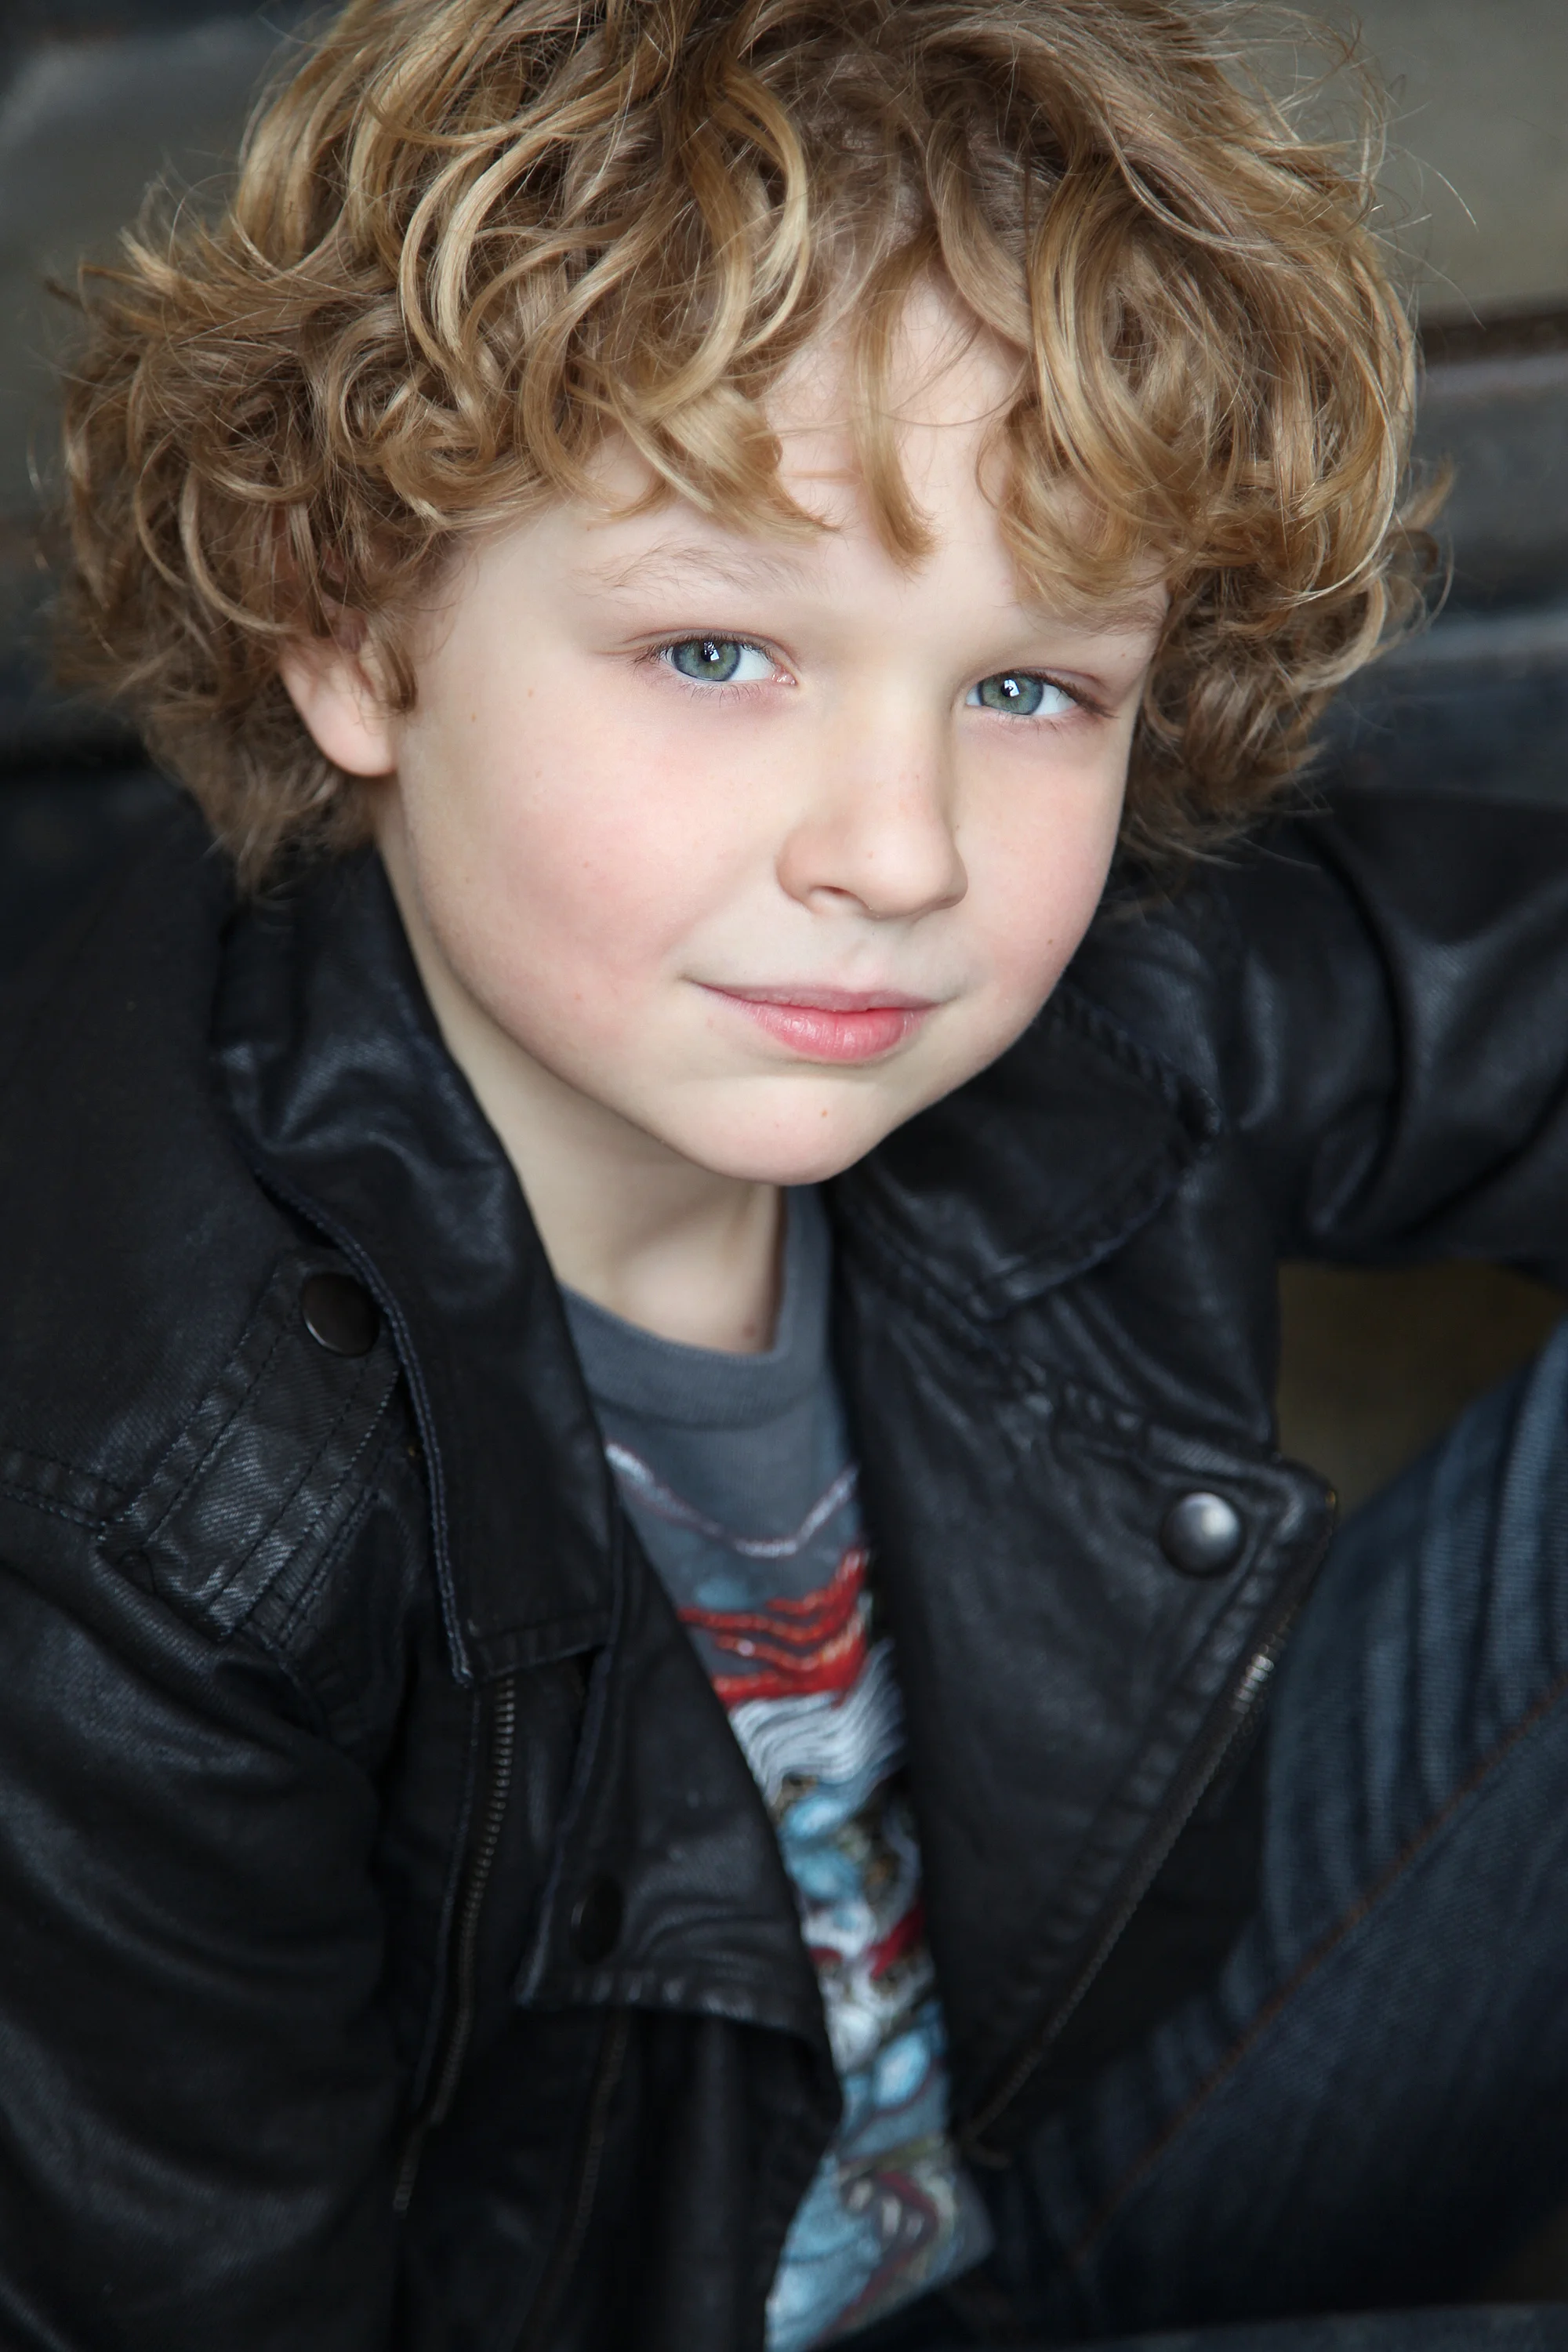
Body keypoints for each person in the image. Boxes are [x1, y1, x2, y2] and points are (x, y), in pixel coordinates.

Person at [5, 0, 1568, 2344]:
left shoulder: (1095, 988)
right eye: (719, 646)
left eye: (1031, 688)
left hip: (1059, 2144)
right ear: (350, 626)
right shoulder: (146, 1514)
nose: (896, 848)